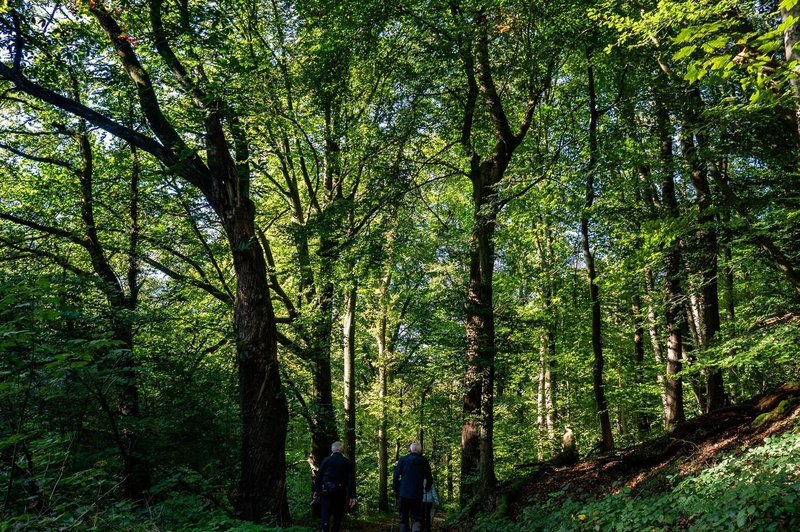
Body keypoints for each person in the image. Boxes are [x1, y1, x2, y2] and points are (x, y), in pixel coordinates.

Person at [314, 441, 356, 532]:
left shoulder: (326, 460)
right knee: (338, 515)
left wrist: (316, 491)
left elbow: (319, 477)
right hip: (340, 492)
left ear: (332, 450)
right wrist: (352, 496)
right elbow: (351, 480)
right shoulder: (347, 462)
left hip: (326, 491)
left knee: (325, 514)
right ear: (341, 450)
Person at [393, 441, 433, 532]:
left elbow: (395, 476)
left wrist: (395, 488)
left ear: (410, 449)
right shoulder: (424, 461)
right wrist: (427, 488)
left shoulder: (403, 460)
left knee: (403, 518)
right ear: (420, 450)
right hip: (417, 494)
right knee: (416, 518)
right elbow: (429, 478)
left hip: (403, 493)